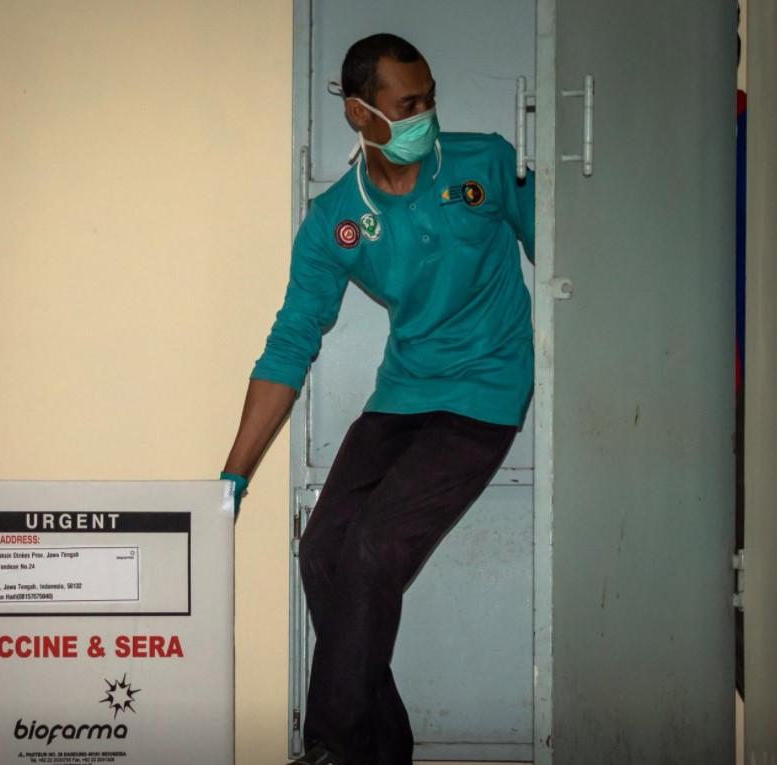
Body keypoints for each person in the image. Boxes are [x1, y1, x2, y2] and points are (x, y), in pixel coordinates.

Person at [220, 33, 535, 765]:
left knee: (370, 551)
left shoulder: (485, 162)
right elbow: (290, 343)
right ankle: (381, 752)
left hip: (483, 395)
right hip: (401, 395)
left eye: (429, 99)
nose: (427, 115)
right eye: (408, 105)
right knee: (322, 549)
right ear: (360, 115)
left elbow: (566, 251)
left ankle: (330, 748)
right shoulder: (335, 219)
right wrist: (234, 474)